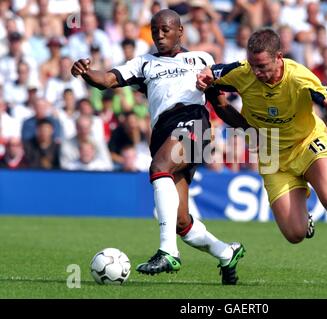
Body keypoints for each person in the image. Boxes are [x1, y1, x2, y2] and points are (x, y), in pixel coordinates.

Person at [197, 28, 327, 288]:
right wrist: (206, 82)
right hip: (271, 153)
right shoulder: (241, 72)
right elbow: (211, 74)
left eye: (262, 66)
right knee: (294, 234)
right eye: (252, 65)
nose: (256, 72)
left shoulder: (300, 77)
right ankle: (302, 215)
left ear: (279, 57)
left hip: (308, 143)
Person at [71, 9, 245, 285]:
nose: (159, 35)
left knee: (160, 167)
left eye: (165, 29)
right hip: (165, 133)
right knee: (181, 222)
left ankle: (168, 252)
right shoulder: (144, 63)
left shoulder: (201, 59)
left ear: (180, 31)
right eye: (154, 30)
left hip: (194, 124)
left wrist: (249, 128)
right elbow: (106, 80)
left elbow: (220, 105)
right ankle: (226, 253)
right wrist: (84, 72)